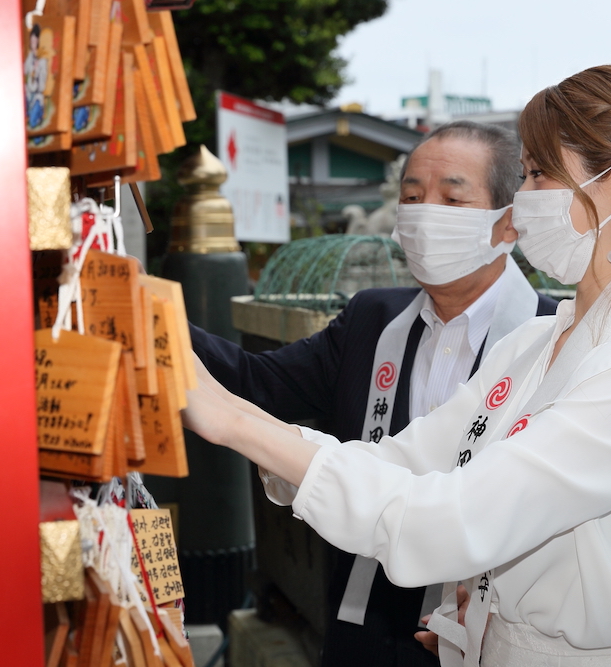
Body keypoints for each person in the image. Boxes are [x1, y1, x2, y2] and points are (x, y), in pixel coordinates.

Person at [184, 65, 611, 667]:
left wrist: (233, 423)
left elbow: (451, 520)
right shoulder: (536, 341)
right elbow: (407, 461)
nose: (525, 199)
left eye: (539, 173)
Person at [189, 120, 557, 667]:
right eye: (412, 196)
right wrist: (153, 319)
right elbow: (254, 384)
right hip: (364, 625)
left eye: (451, 199)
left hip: (486, 632)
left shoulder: (550, 337)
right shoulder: (371, 320)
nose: (424, 213)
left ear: (508, 222)